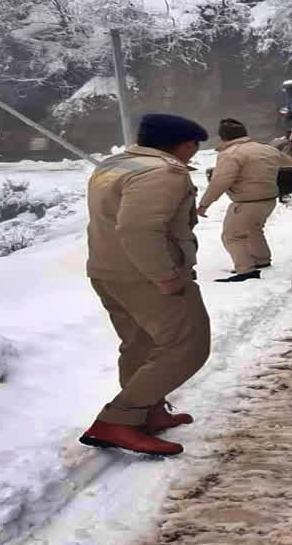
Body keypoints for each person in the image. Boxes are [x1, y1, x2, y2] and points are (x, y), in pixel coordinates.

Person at [79, 114, 211, 456]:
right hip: (147, 276)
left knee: (140, 344)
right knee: (187, 347)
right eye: (194, 148)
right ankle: (119, 421)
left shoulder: (114, 165)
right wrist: (165, 276)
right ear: (185, 145)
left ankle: (144, 411)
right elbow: (138, 230)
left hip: (108, 271)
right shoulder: (163, 172)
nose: (192, 156)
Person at [197, 118, 292, 283]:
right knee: (254, 229)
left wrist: (204, 204)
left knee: (232, 236)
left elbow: (220, 182)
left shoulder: (230, 154)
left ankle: (245, 270)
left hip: (247, 202)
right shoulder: (266, 149)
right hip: (269, 199)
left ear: (223, 137)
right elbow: (288, 162)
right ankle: (262, 260)